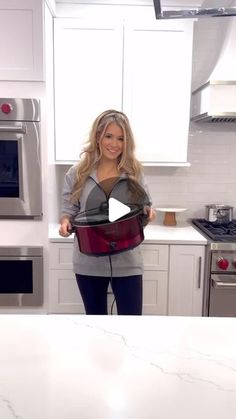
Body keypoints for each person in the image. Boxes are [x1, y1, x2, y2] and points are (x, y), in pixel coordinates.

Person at [59, 109, 155, 315]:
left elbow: (143, 208)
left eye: (121, 138)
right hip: (88, 260)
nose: (114, 144)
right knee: (95, 322)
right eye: (108, 136)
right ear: (97, 137)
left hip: (128, 260)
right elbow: (69, 209)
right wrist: (65, 222)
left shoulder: (134, 172)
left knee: (131, 321)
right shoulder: (77, 172)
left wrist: (147, 213)